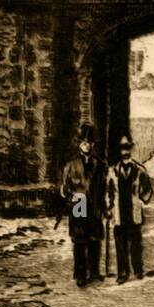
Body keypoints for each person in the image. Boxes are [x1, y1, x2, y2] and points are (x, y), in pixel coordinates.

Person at [59, 123, 106, 288]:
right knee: (79, 241)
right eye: (84, 142)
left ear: (93, 144)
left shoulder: (100, 165)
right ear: (79, 143)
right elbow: (64, 190)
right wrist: (73, 198)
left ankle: (94, 271)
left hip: (94, 205)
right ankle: (80, 274)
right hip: (79, 204)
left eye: (90, 142)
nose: (87, 145)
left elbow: (104, 187)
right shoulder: (71, 166)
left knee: (94, 238)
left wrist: (105, 207)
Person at [105, 136, 153, 284]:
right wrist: (108, 207)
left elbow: (148, 189)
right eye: (122, 149)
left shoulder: (139, 170)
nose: (125, 151)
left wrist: (141, 200)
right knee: (120, 245)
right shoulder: (112, 171)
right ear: (120, 152)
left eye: (127, 148)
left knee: (136, 243)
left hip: (133, 212)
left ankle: (138, 269)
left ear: (130, 150)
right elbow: (108, 191)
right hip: (119, 212)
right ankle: (123, 273)